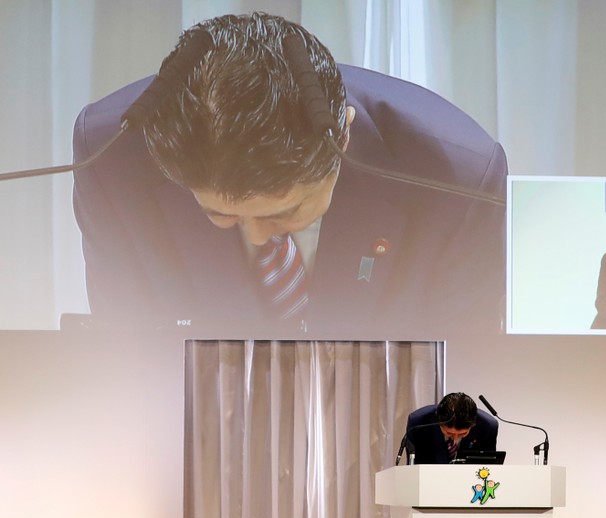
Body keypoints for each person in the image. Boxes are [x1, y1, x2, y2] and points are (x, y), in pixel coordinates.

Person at [72, 12, 506, 337]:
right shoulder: (110, 158)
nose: (259, 237)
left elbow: (465, 379)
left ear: (343, 138)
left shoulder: (456, 177)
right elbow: (125, 348)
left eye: (286, 211)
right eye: (221, 215)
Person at [404, 392, 498, 464]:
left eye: (462, 434)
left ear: (473, 425)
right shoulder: (418, 423)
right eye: (449, 433)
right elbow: (414, 465)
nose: (455, 438)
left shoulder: (487, 426)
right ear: (439, 422)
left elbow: (487, 466)